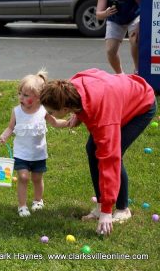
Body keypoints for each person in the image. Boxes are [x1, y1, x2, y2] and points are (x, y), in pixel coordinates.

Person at [39, 68, 156, 235]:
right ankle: (100, 204)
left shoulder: (102, 117)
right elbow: (94, 72)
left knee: (114, 153)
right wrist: (79, 115)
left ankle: (122, 209)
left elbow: (110, 159)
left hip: (141, 104)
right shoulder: (69, 88)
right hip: (118, 100)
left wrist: (107, 211)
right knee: (92, 148)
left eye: (51, 112)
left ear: (65, 108)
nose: (49, 114)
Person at [0, 70, 68, 217]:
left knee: (37, 178)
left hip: (38, 153)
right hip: (21, 153)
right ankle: (22, 206)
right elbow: (11, 127)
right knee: (23, 177)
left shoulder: (43, 111)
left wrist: (68, 123)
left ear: (37, 98)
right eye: (20, 93)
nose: (21, 97)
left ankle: (38, 200)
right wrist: (5, 135)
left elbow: (55, 122)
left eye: (25, 95)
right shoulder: (17, 111)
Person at [96, 0, 140, 74]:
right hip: (115, 20)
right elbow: (98, 14)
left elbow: (145, 7)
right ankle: (120, 74)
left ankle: (137, 69)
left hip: (133, 16)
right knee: (110, 50)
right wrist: (105, 13)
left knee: (135, 39)